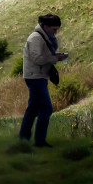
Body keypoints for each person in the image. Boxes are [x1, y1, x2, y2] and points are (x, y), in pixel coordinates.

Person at [19, 12, 69, 147]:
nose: (56, 33)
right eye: (54, 29)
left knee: (33, 109)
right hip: (35, 76)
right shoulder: (36, 38)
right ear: (46, 26)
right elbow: (37, 59)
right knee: (46, 108)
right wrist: (56, 58)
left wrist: (56, 56)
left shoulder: (43, 37)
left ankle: (23, 140)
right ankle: (39, 142)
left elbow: (43, 56)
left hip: (38, 75)